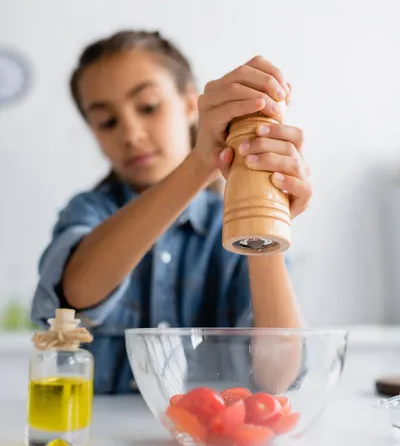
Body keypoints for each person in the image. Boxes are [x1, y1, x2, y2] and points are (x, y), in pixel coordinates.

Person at [30, 30, 312, 394]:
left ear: (188, 102)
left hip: (212, 445)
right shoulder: (89, 209)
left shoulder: (227, 226)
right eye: (107, 121)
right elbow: (77, 293)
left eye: (148, 106)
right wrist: (200, 162)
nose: (131, 133)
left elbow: (279, 376)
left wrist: (266, 213)